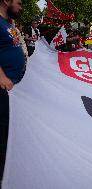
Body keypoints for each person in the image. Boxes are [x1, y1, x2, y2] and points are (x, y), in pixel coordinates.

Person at [0, 0, 24, 181]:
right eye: (19, 2)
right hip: (2, 87)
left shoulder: (9, 24)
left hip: (13, 88)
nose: (21, 6)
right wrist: (2, 77)